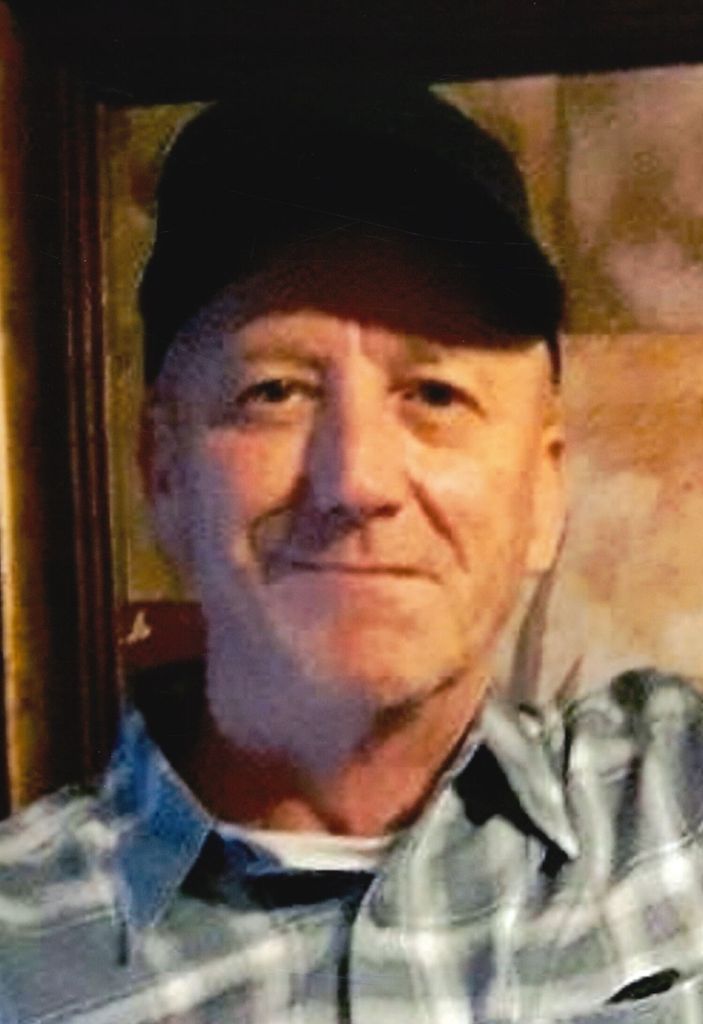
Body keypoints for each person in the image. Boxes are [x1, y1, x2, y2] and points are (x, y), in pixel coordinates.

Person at [2, 85, 703, 1024]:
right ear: (162, 471)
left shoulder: (675, 805)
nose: (356, 479)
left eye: (435, 394)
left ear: (543, 490)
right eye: (274, 392)